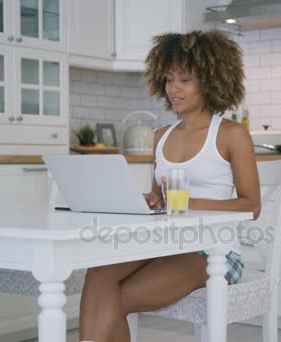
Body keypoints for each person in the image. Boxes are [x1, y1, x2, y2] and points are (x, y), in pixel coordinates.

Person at [79, 30, 261, 342]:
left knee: (114, 299)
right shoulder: (161, 135)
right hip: (164, 242)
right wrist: (150, 200)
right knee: (99, 272)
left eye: (185, 79)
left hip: (213, 250)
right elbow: (159, 197)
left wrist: (189, 203)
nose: (173, 88)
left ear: (210, 81)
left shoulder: (232, 134)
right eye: (168, 79)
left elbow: (251, 206)